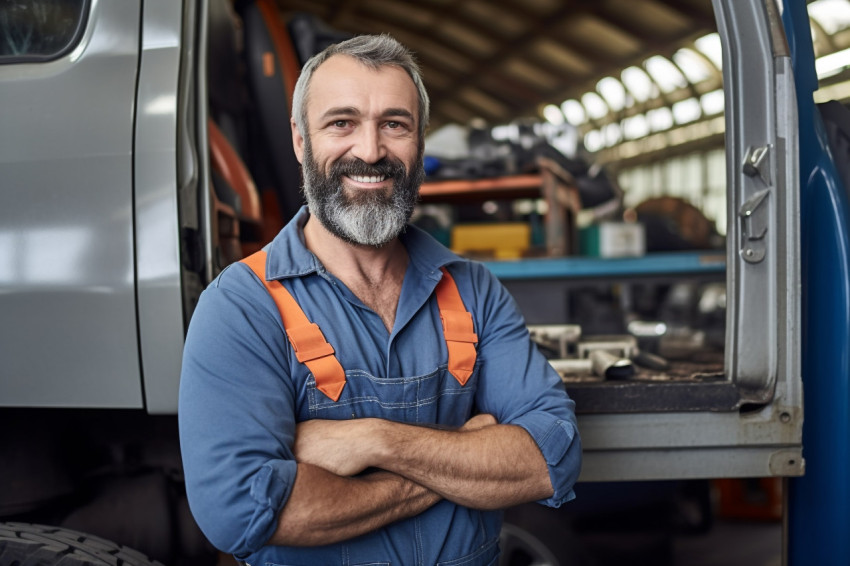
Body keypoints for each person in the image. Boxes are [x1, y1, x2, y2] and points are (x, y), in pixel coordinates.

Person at [179, 33, 581, 566]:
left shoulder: (473, 290)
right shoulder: (242, 308)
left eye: (394, 124)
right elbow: (244, 511)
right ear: (301, 140)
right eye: (341, 122)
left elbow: (550, 455)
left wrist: (374, 442)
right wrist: (464, 452)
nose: (370, 152)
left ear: (419, 141)